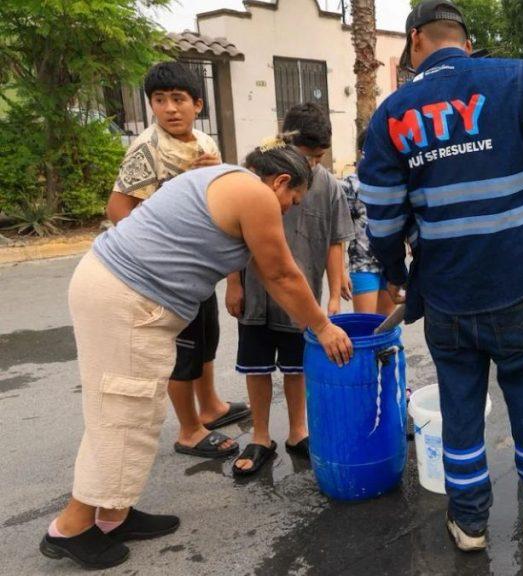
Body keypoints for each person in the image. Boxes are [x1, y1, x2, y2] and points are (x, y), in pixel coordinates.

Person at [359, 0, 523, 552]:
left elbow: (381, 211)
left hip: (446, 295)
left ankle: (469, 523)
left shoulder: (392, 113)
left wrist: (396, 272)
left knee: (460, 406)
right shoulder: (515, 78)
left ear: (416, 41)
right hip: (520, 286)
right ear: (465, 42)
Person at [41, 142, 353, 570]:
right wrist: (322, 325)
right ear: (281, 181)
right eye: (292, 200)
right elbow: (281, 273)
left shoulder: (227, 178)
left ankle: (113, 513)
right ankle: (72, 527)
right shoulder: (256, 194)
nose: (288, 209)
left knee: (125, 408)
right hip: (127, 297)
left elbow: (269, 269)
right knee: (124, 411)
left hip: (115, 288)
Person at [106, 61, 249, 460]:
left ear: (197, 104)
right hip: (166, 272)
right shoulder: (147, 148)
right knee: (181, 350)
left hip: (198, 267)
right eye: (160, 100)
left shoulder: (205, 145)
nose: (170, 108)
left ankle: (212, 407)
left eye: (178, 99)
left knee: (206, 340)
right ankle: (188, 429)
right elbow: (118, 208)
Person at [226, 104, 356, 476]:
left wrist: (333, 291)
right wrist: (234, 282)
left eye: (319, 158)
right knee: (257, 365)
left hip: (301, 296)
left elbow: (334, 240)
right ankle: (261, 435)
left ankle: (298, 431)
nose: (312, 165)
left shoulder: (328, 185)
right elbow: (234, 238)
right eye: (307, 156)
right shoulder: (256, 178)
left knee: (297, 366)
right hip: (256, 293)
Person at [342, 130, 397, 316]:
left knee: (386, 329)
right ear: (362, 152)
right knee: (367, 328)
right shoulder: (350, 185)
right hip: (363, 265)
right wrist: (340, 272)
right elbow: (338, 232)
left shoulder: (392, 181)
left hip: (391, 265)